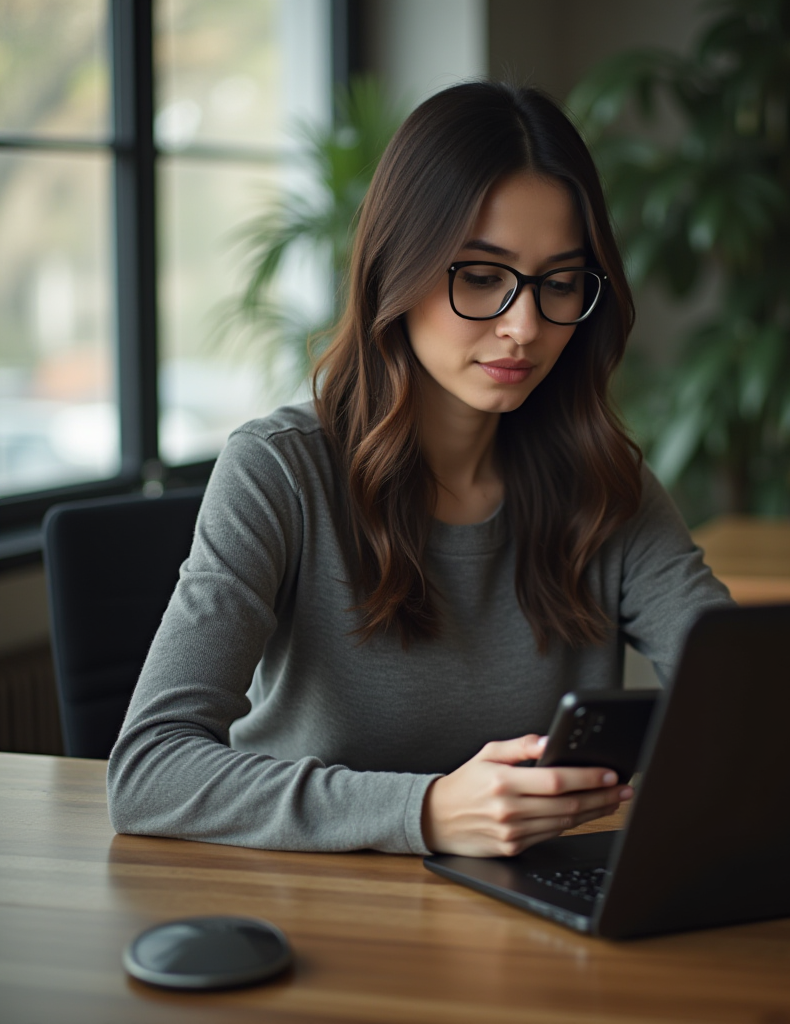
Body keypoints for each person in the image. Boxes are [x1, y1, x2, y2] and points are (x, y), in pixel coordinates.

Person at [107, 81, 732, 858]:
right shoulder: (279, 473)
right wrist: (428, 811)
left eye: (560, 282)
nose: (524, 326)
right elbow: (148, 771)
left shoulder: (605, 486)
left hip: (519, 922)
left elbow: (738, 691)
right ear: (397, 269)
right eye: (480, 276)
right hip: (315, 914)